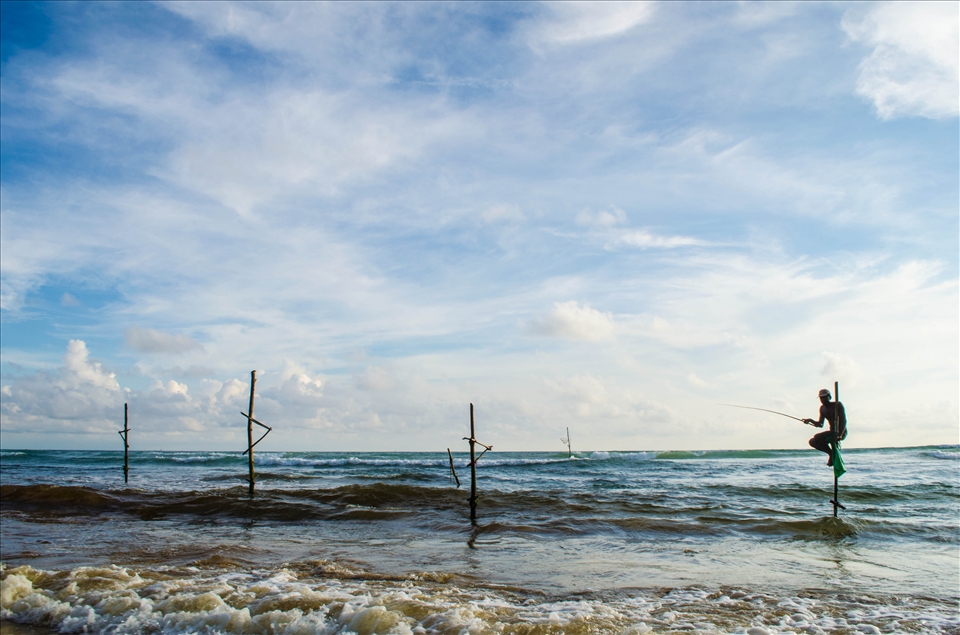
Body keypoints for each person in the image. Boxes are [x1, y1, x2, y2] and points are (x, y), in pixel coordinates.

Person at [804, 388, 847, 466]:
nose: (823, 399)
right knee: (812, 441)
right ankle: (831, 453)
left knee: (817, 436)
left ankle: (832, 456)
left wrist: (840, 435)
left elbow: (843, 421)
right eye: (821, 398)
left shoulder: (837, 405)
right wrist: (810, 421)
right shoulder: (822, 408)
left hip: (840, 431)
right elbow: (820, 424)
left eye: (825, 397)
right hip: (831, 432)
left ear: (829, 397)